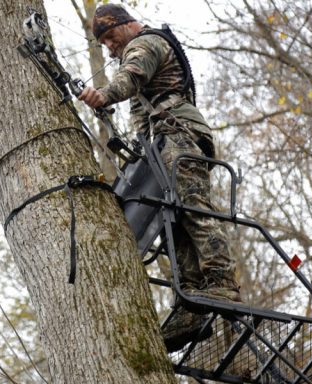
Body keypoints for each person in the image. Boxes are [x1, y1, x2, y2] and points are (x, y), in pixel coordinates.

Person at [78, 4, 242, 353]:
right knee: (175, 221)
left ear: (124, 25)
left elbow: (131, 76)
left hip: (179, 137)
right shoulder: (137, 46)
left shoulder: (145, 44)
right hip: (165, 142)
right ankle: (192, 305)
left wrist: (104, 94)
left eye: (109, 36)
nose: (109, 46)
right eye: (103, 41)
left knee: (194, 209)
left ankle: (221, 281)